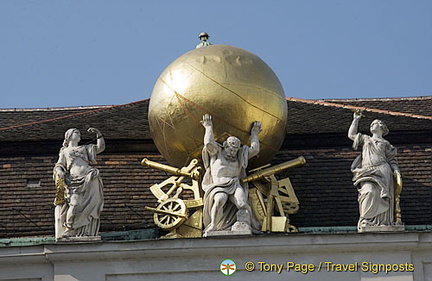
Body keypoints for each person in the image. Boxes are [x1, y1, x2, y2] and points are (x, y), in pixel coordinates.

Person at [201, 114, 261, 235]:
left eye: (235, 151)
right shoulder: (216, 153)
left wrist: (254, 134)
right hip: (218, 185)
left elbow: (254, 150)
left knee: (242, 203)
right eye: (230, 150)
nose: (232, 153)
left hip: (234, 184)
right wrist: (208, 127)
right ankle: (213, 224)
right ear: (225, 146)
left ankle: (252, 221)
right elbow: (208, 143)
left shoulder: (240, 156)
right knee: (219, 200)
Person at [348, 112, 402, 231]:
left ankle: (383, 222)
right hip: (367, 171)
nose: (372, 125)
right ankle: (366, 220)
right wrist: (356, 120)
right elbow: (351, 135)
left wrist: (396, 170)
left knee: (382, 198)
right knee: (369, 192)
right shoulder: (366, 139)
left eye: (375, 123)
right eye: (371, 124)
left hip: (383, 171)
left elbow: (392, 159)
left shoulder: (386, 144)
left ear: (382, 127)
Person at [53, 127, 105, 239]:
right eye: (76, 132)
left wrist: (99, 135)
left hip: (89, 178)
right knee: (75, 204)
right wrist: (59, 171)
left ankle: (86, 231)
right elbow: (59, 165)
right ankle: (70, 228)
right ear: (69, 136)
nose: (79, 134)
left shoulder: (85, 148)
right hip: (74, 181)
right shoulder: (65, 151)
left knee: (91, 204)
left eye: (79, 133)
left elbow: (100, 147)